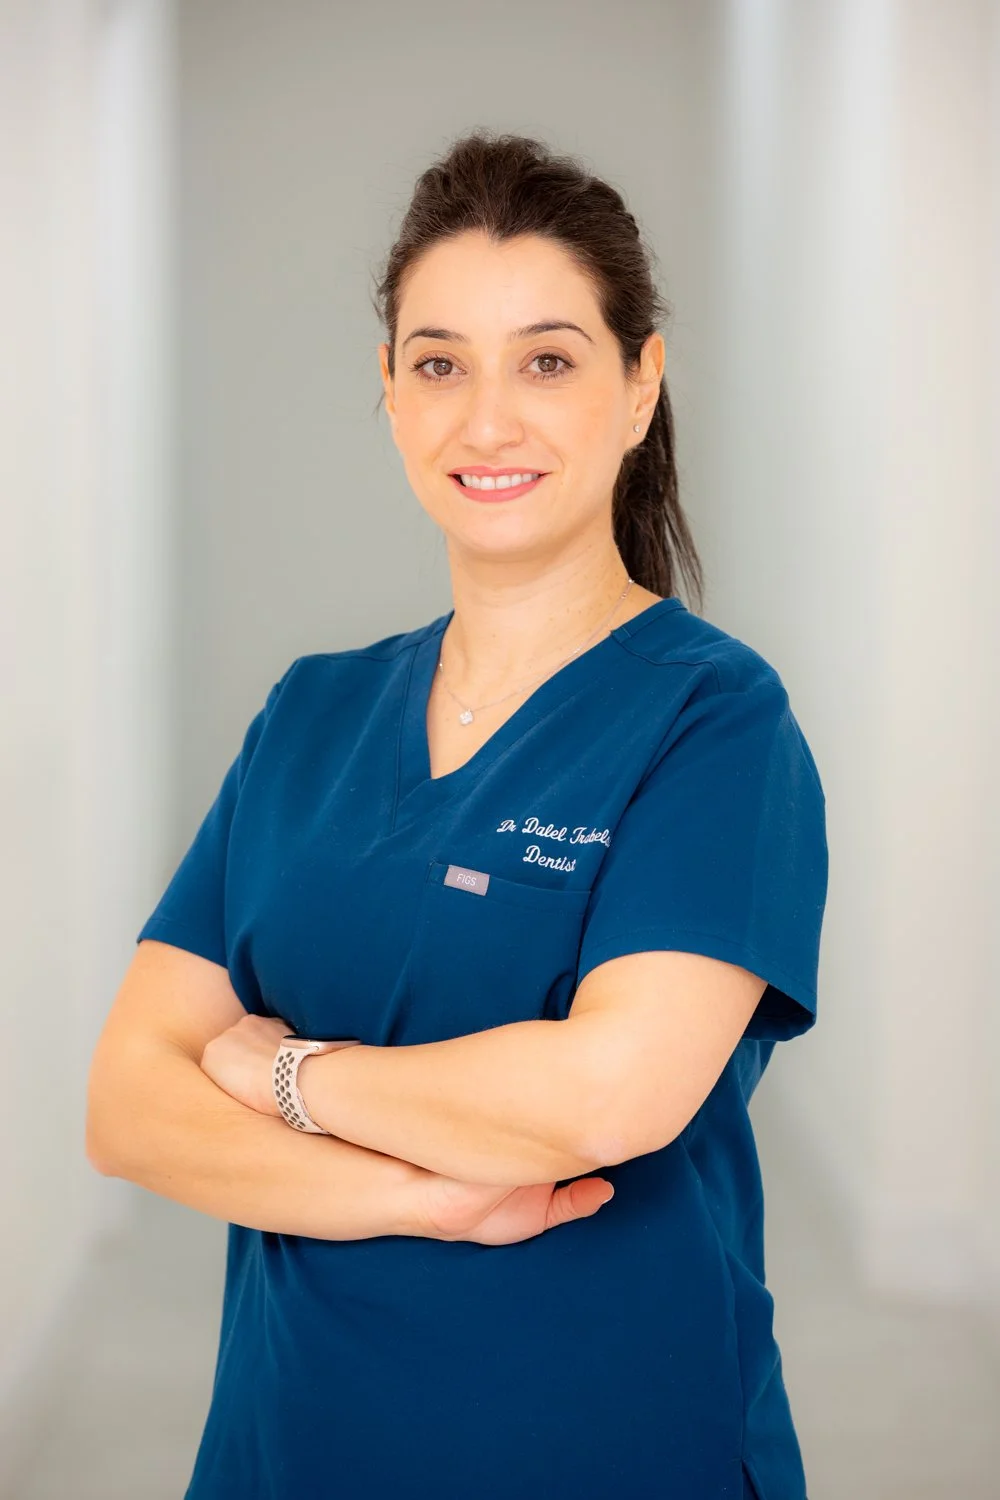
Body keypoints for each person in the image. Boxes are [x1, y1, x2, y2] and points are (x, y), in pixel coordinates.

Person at [86, 129, 828, 1500]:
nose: (487, 420)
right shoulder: (310, 715)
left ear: (639, 386)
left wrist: (275, 1077)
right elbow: (128, 1107)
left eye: (547, 359)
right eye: (439, 364)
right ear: (388, 390)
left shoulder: (714, 722)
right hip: (290, 1443)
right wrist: (429, 1195)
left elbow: (607, 1097)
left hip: (610, 1439)